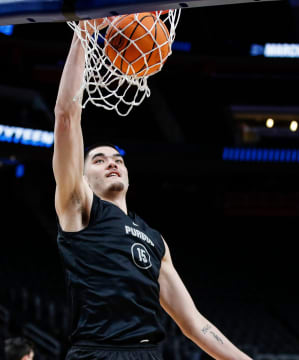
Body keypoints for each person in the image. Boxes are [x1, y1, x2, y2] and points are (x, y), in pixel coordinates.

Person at [53, 17, 253, 360]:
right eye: (99, 160)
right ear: (83, 178)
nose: (112, 162)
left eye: (117, 159)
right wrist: (84, 32)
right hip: (97, 353)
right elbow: (67, 116)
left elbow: (194, 324)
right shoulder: (79, 207)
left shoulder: (155, 241)